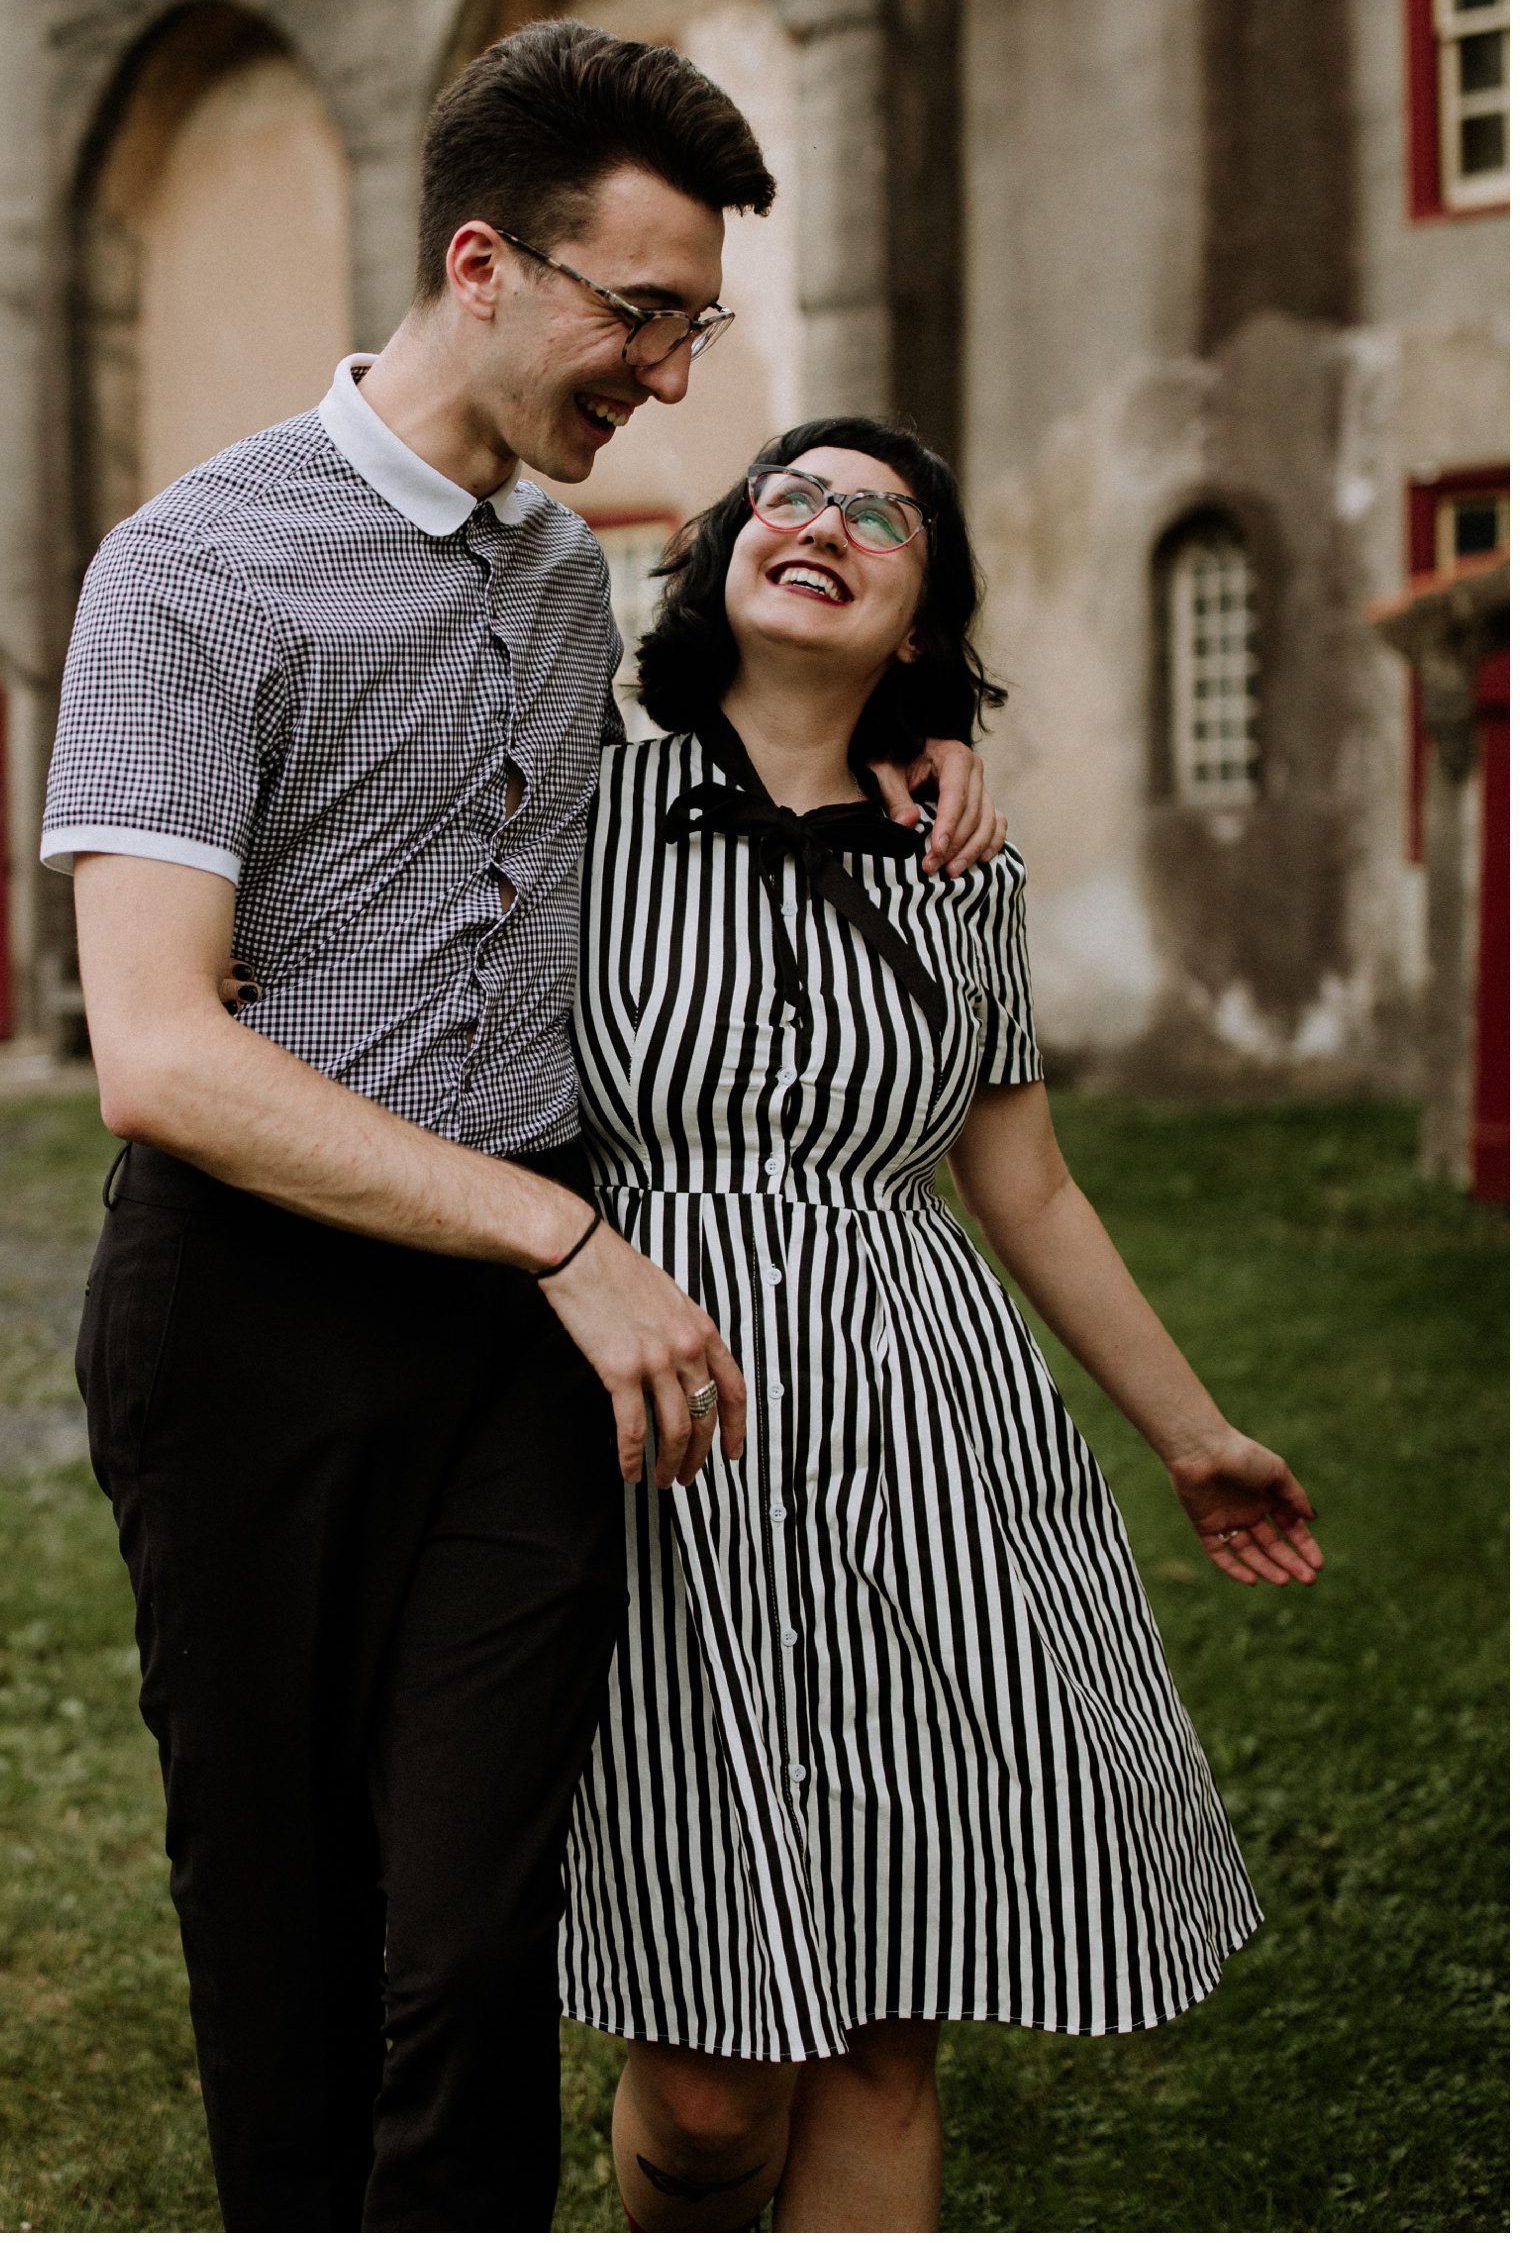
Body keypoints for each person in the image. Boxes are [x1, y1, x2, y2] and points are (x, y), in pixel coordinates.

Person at [40, 24, 1005, 2234]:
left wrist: (929, 746)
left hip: (502, 1355)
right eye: (636, 311)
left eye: (695, 321)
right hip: (252, 1320)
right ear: (482, 263)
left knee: (470, 1944)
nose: (668, 373)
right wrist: (560, 1236)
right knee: (284, 1928)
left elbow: (752, 697)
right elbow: (161, 1053)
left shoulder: (559, 566)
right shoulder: (186, 575)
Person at [561, 417, 1325, 2236]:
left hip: (928, 1447)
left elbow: (1030, 1188)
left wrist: (1194, 1433)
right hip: (653, 1444)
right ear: (728, 552)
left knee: (890, 2025)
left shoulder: (957, 859)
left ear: (915, 623)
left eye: (876, 515)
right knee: (710, 2085)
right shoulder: (579, 792)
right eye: (786, 495)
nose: (818, 520)